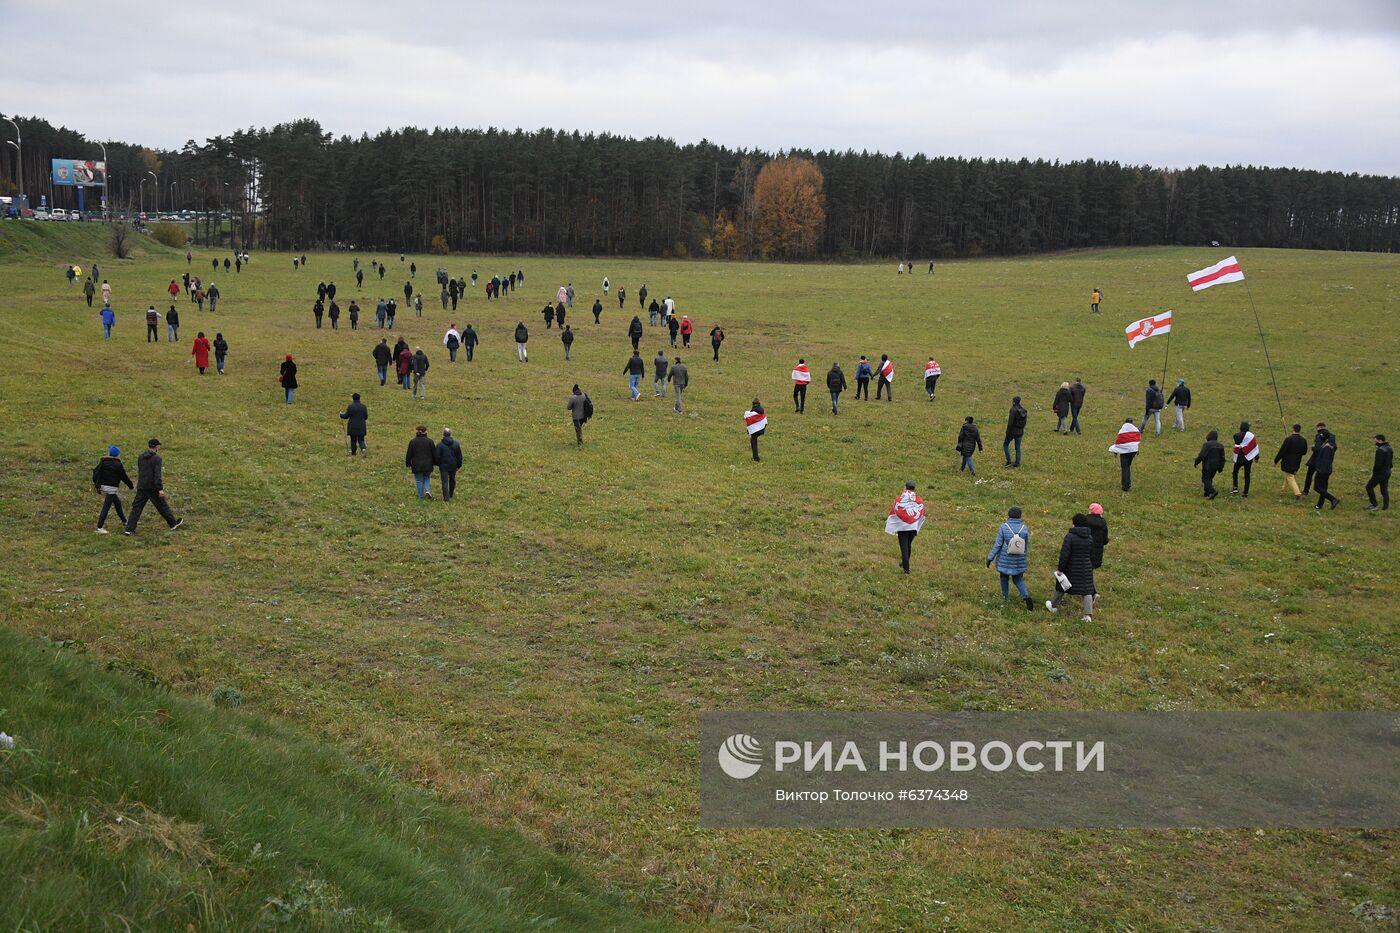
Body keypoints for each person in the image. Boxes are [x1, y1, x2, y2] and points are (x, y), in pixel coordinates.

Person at [123, 439, 183, 535]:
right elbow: (157, 475)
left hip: (142, 486)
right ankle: (172, 523)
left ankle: (129, 529)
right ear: (156, 447)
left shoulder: (141, 457)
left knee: (136, 508)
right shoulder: (157, 459)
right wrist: (160, 489)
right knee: (162, 506)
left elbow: (141, 471)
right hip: (153, 487)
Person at [1046, 515, 1096, 620]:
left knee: (1062, 585)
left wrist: (1060, 568)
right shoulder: (1090, 537)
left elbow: (1065, 554)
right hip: (1086, 567)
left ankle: (1053, 605)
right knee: (1087, 590)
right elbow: (1091, 553)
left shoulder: (1070, 536)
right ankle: (1087, 615)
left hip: (1071, 567)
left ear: (1074, 523)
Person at [986, 506, 1035, 609]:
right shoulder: (1024, 528)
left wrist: (990, 557)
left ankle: (1006, 598)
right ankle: (1025, 595)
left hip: (1005, 558)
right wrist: (1023, 557)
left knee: (1004, 578)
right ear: (1020, 516)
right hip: (1019, 559)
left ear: (1009, 515)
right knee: (1018, 579)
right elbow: (1025, 546)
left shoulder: (1004, 527)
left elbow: (998, 544)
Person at [884, 480, 926, 574]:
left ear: (905, 487)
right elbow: (922, 512)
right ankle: (904, 563)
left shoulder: (899, 499)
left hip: (902, 528)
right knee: (908, 545)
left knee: (904, 548)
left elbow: (894, 511)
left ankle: (906, 569)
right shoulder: (918, 500)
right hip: (913, 527)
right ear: (914, 488)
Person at [92, 445, 133, 534]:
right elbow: (124, 476)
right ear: (118, 455)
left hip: (102, 486)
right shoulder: (118, 465)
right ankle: (99, 527)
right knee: (106, 508)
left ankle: (125, 521)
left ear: (109, 454)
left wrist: (97, 485)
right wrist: (130, 485)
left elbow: (95, 472)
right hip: (111, 488)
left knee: (117, 503)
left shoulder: (103, 462)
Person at [1274, 424, 1308, 500]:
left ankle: (1297, 493)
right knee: (1289, 475)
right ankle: (1283, 491)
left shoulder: (1289, 439)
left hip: (1288, 461)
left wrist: (1276, 460)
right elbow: (1304, 452)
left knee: (1290, 476)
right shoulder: (1303, 440)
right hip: (1297, 462)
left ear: (1293, 429)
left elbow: (1282, 451)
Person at [1303, 423, 1336, 495]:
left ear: (1319, 427)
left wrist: (1313, 447)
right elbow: (1334, 448)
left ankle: (1306, 490)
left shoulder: (1318, 436)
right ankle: (1323, 492)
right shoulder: (1332, 436)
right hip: (1326, 461)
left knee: (1309, 475)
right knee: (1324, 479)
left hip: (1315, 460)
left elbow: (1317, 448)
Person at [405, 426, 437, 499]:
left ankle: (421, 497)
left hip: (417, 464)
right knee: (426, 478)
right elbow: (434, 453)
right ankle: (427, 490)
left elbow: (409, 453)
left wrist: (408, 463)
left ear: (417, 432)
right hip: (428, 464)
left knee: (419, 480)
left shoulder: (413, 442)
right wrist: (435, 462)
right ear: (426, 432)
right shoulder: (430, 441)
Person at [1109, 419, 1141, 491]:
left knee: (1125, 468)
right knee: (1128, 467)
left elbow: (1119, 441)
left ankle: (1125, 486)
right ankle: (1128, 483)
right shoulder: (1135, 429)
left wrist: (1116, 451)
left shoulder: (1122, 430)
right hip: (1133, 452)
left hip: (1124, 452)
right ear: (1132, 422)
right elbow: (1136, 440)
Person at [1194, 430, 1226, 499]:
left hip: (1208, 465)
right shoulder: (1220, 445)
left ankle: (1212, 491)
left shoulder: (1207, 444)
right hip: (1216, 466)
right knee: (1210, 478)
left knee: (1205, 479)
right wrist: (1221, 467)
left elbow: (1202, 455)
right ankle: (1207, 493)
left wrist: (1196, 462)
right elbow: (1222, 458)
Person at [1231, 421, 1260, 496]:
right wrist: (1256, 458)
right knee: (1247, 474)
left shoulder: (1236, 436)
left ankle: (1235, 487)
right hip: (1248, 458)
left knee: (1235, 472)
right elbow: (1254, 447)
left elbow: (1237, 442)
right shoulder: (1251, 436)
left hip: (1238, 457)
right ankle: (1245, 492)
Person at [1312, 434, 1340, 510]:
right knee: (1323, 488)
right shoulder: (1332, 446)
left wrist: (1319, 469)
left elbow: (1325, 460)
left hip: (1322, 470)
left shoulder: (1327, 448)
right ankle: (1319, 505)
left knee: (1317, 487)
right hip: (1327, 470)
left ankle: (1333, 499)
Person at [1366, 434, 1392, 511]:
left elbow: (1378, 464)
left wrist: (1374, 472)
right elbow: (1390, 462)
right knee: (1384, 489)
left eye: (1376, 441)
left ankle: (1374, 505)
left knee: (1369, 487)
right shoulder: (1390, 448)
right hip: (1387, 471)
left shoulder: (1380, 450)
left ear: (1380, 440)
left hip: (1380, 473)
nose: (1375, 442)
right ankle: (1385, 507)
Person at [436, 428, 462, 502]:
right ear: (450, 434)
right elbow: (459, 456)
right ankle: (450, 494)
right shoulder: (456, 444)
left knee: (444, 482)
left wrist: (438, 464)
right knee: (452, 480)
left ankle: (446, 498)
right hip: (453, 465)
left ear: (443, 434)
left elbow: (437, 456)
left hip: (443, 466)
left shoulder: (439, 445)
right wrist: (458, 465)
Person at [1004, 396, 1028, 467]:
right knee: (1018, 447)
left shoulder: (1013, 410)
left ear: (1014, 401)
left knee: (1005, 445)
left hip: (1012, 432)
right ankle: (1017, 463)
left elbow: (1010, 423)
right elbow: (1025, 422)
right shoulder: (1024, 410)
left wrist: (1007, 432)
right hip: (1020, 432)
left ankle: (1008, 461)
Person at [1085, 503, 1109, 569]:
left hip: (1084, 552)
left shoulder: (1084, 521)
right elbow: (1105, 541)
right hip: (1096, 556)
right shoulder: (1103, 524)